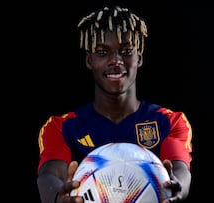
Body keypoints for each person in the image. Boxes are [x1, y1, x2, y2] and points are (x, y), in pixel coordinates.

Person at [36, 5, 192, 203]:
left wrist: (179, 186)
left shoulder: (169, 121)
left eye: (126, 51)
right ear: (89, 60)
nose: (116, 61)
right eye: (102, 52)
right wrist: (58, 196)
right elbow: (50, 174)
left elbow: (180, 169)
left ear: (139, 58)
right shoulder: (61, 127)